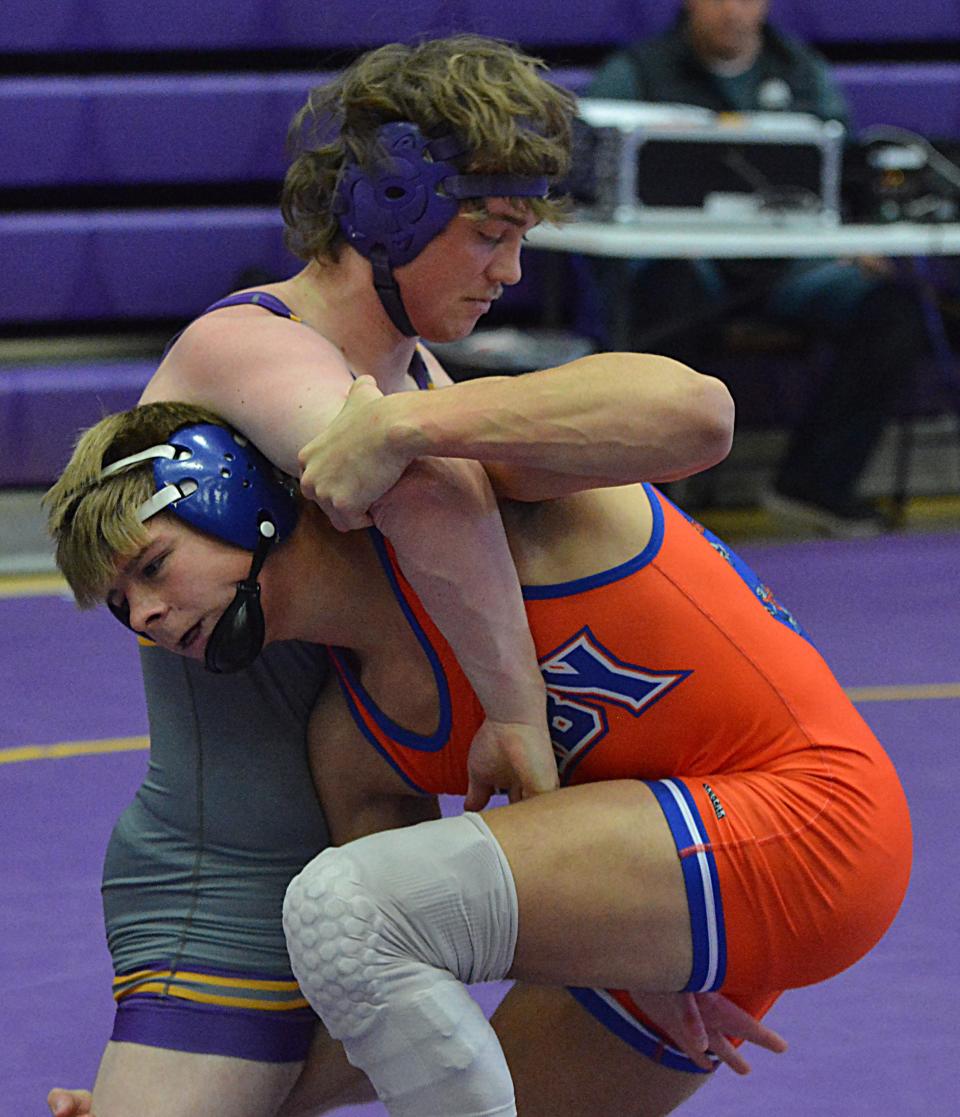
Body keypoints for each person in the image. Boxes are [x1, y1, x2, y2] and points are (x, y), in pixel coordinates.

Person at [44, 34, 736, 1117]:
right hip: (224, 876)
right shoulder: (247, 347)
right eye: (491, 233)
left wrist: (652, 932)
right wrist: (515, 711)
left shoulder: (410, 378)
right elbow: (427, 495)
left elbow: (687, 423)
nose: (510, 272)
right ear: (393, 206)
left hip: (379, 863)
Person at [47, 398, 910, 1117]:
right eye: (122, 605)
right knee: (366, 950)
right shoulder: (354, 742)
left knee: (342, 902)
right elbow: (376, 999)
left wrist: (409, 422)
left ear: (234, 498)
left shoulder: (481, 503)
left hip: (817, 818)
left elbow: (699, 409)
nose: (150, 618)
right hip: (691, 910)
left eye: (155, 567)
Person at [587, 0, 929, 535]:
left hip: (791, 266)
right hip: (686, 263)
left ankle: (814, 484)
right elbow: (585, 173)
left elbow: (848, 175)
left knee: (890, 311)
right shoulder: (635, 72)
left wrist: (854, 234)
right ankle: (654, 507)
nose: (732, 10)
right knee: (669, 303)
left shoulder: (802, 72)